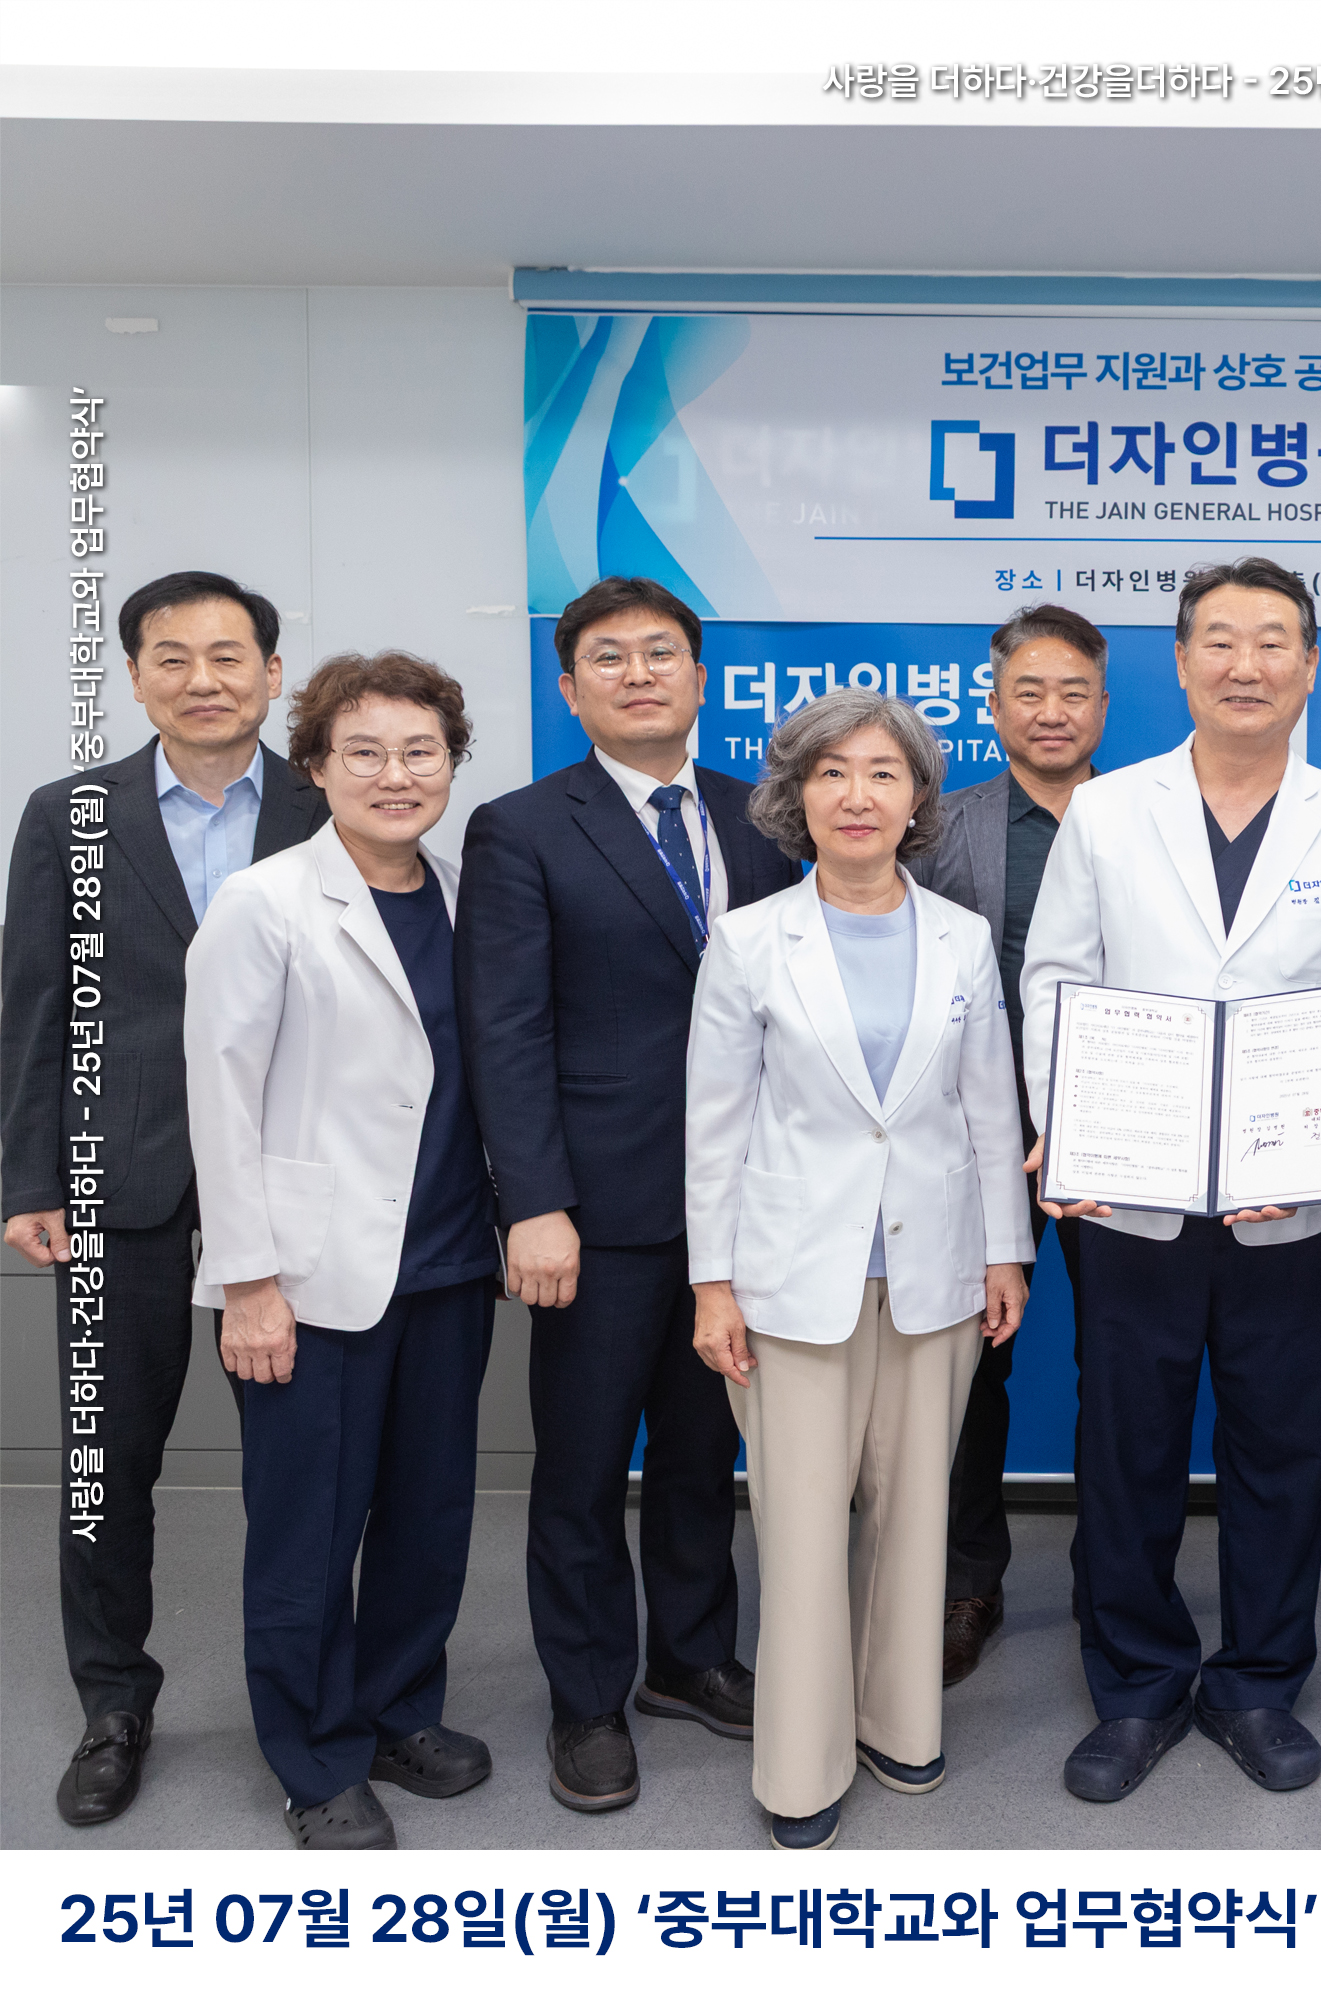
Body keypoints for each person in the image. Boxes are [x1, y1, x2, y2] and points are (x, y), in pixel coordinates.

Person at [1020, 557, 1321, 1803]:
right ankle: (1135, 1683)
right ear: (1182, 663)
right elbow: (1056, 979)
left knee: (1278, 1444)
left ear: (1310, 665)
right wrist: (1068, 1123)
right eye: (1222, 641)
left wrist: (1308, 1142)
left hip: (1286, 1204)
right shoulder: (1106, 810)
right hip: (1130, 1194)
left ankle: (1256, 1681)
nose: (1247, 664)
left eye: (1273, 640)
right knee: (1124, 1442)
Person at [456, 575, 799, 1813]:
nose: (640, 672)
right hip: (594, 1214)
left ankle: (691, 1656)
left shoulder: (764, 818)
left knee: (706, 1452)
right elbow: (503, 1028)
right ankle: (588, 1696)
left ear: (701, 678)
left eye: (662, 652)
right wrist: (532, 1201)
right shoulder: (520, 827)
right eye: (610, 656)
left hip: (744, 1206)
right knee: (585, 1465)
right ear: (569, 687)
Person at [4, 571, 329, 1828]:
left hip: (288, 1184)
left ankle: (304, 1701)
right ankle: (112, 1705)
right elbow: (36, 998)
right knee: (107, 1463)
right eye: (173, 656)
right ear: (135, 676)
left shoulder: (327, 800)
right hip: (116, 1180)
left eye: (229, 654)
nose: (204, 678)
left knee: (298, 1465)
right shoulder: (69, 815)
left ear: (272, 674)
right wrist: (33, 1173)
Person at [686, 691, 1032, 1850]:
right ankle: (800, 1766)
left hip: (936, 1266)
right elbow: (714, 1124)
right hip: (791, 1276)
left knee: (915, 1510)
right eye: (832, 773)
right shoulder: (748, 939)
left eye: (883, 772)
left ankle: (898, 1723)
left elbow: (988, 1106)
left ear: (916, 797)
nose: (857, 795)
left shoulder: (959, 937)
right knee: (799, 1528)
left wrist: (1005, 1248)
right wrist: (713, 1283)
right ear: (797, 795)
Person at [182, 652, 497, 1848]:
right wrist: (249, 1281)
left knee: (427, 1513)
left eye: (421, 750)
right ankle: (314, 1758)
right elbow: (221, 1100)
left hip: (450, 1263)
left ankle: (399, 1709)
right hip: (309, 1279)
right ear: (315, 766)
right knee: (308, 1529)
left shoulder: (466, 893)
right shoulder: (262, 902)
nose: (394, 773)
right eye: (362, 751)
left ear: (451, 765)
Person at [905, 602, 1108, 1687]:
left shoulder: (1149, 818)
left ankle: (1110, 1581)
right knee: (971, 1366)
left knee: (1119, 1365)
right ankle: (965, 1581)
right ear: (991, 706)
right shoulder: (937, 827)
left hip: (1124, 1136)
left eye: (1073, 690)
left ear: (1104, 705)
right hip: (974, 1132)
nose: (1051, 710)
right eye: (1028, 690)